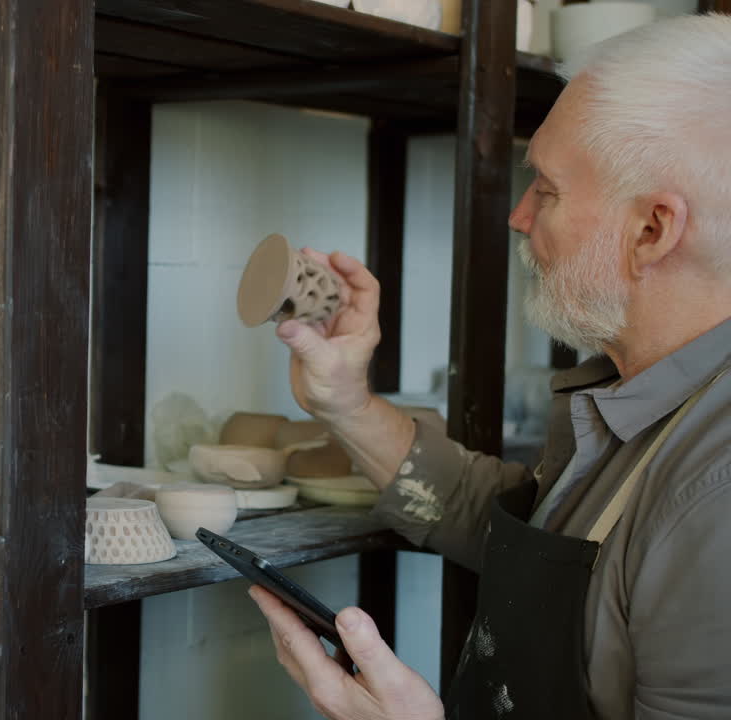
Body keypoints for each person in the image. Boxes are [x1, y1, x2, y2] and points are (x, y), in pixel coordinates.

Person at [248, 14, 731, 720]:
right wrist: (344, 400)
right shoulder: (643, 394)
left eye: (549, 189)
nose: (519, 215)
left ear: (651, 230)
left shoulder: (717, 493)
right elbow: (521, 528)